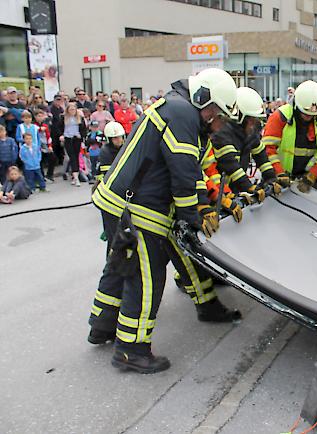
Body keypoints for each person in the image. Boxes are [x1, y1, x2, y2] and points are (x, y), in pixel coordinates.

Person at [89, 68, 237, 373]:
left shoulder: (181, 111)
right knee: (146, 278)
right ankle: (131, 350)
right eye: (219, 115)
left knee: (121, 266)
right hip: (137, 208)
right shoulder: (183, 114)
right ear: (206, 103)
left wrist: (204, 206)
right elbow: (183, 175)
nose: (220, 123)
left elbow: (191, 173)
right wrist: (193, 219)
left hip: (124, 202)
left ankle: (102, 326)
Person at [262, 80, 317, 193]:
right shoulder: (281, 116)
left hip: (307, 178)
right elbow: (267, 149)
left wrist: (312, 176)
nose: (309, 117)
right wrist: (279, 172)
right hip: (278, 176)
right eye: (305, 113)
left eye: (313, 115)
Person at [61, 103, 87, 187]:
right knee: (71, 157)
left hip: (76, 138)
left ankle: (75, 176)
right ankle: (76, 177)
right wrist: (61, 135)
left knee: (76, 156)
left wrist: (81, 135)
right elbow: (59, 127)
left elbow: (83, 128)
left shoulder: (80, 118)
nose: (72, 111)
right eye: (70, 109)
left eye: (74, 109)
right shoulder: (63, 118)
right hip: (68, 138)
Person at [34, 110, 55, 182]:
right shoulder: (34, 126)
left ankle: (50, 174)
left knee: (52, 158)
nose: (40, 118)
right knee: (40, 161)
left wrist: (50, 146)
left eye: (41, 116)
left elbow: (48, 136)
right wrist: (39, 129)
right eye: (38, 116)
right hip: (38, 146)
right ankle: (41, 176)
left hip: (45, 145)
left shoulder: (45, 126)